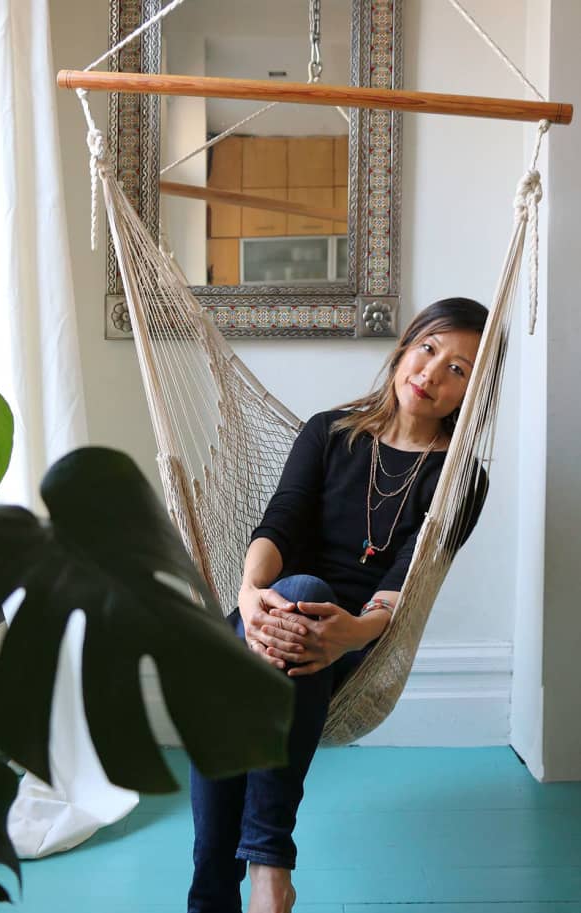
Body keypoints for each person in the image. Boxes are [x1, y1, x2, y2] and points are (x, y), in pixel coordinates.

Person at [187, 297, 490, 913]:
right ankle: (260, 875)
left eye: (459, 369)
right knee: (260, 630)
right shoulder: (328, 433)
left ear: (473, 393)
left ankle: (251, 875)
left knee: (304, 600)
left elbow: (410, 580)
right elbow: (280, 524)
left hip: (352, 643)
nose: (432, 373)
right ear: (405, 347)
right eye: (429, 349)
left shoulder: (460, 480)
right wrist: (248, 598)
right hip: (263, 621)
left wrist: (352, 634)